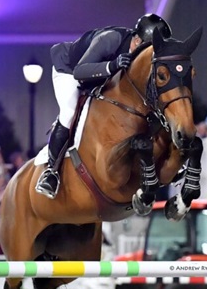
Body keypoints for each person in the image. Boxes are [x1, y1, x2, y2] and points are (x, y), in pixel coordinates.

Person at [35, 13, 172, 198]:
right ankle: (51, 172)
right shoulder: (111, 39)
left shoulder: (136, 53)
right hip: (69, 69)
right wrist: (112, 65)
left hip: (98, 75)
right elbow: (80, 72)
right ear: (137, 40)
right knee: (69, 110)